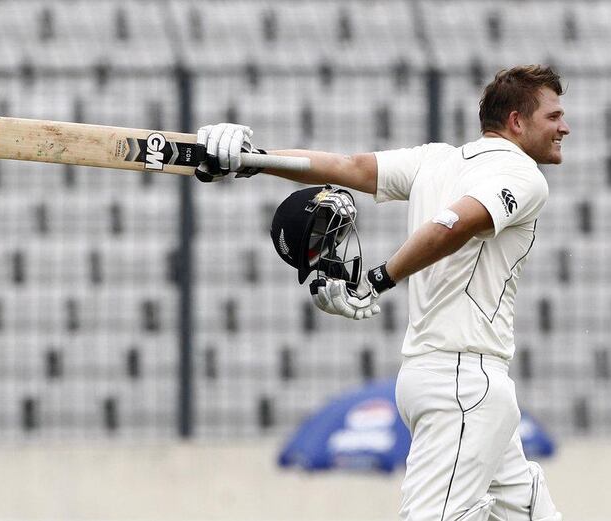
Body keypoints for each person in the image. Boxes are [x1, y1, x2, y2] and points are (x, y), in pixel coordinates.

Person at [197, 64, 570, 521]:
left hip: (454, 383)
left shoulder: (437, 160)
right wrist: (380, 277)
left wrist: (258, 158)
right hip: (461, 383)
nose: (564, 127)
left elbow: (348, 167)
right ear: (516, 121)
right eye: (553, 117)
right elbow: (457, 223)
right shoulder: (523, 175)